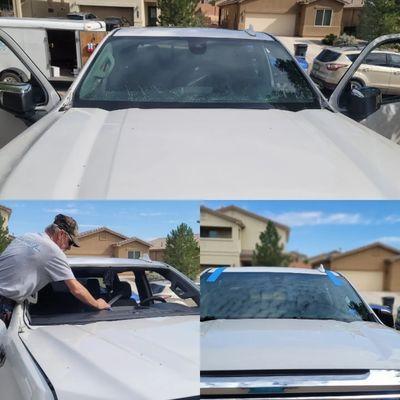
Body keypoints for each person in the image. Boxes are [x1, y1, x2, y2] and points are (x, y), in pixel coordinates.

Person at [0, 214, 110, 327]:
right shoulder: (54, 251)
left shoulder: (26, 236)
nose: (69, 248)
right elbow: (76, 289)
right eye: (70, 242)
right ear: (61, 234)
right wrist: (97, 304)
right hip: (3, 302)